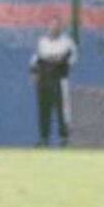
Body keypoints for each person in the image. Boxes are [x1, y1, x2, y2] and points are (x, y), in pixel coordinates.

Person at [31, 18, 77, 148]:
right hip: (44, 80)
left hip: (59, 79)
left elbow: (69, 59)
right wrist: (35, 73)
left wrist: (55, 61)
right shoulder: (42, 42)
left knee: (62, 110)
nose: (54, 28)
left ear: (61, 28)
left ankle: (64, 138)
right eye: (51, 25)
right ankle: (44, 138)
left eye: (57, 25)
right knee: (44, 109)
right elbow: (36, 59)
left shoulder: (67, 43)